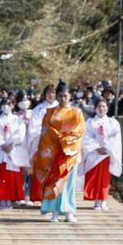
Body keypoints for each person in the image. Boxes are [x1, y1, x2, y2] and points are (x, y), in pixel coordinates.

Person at [33, 81, 86, 223]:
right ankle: (54, 212)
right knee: (54, 182)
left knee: (69, 184)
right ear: (56, 96)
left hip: (69, 154)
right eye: (60, 96)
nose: (63, 98)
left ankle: (69, 212)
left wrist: (66, 141)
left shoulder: (77, 112)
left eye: (66, 96)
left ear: (70, 96)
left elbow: (79, 131)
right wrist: (59, 139)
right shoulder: (50, 112)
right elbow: (46, 131)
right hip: (54, 152)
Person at [79, 99, 122, 210]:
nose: (101, 109)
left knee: (104, 178)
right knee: (94, 177)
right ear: (95, 108)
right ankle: (96, 201)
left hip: (107, 153)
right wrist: (97, 147)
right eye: (99, 106)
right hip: (94, 154)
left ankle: (103, 200)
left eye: (104, 106)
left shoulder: (113, 123)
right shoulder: (89, 122)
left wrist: (107, 146)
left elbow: (116, 138)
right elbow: (86, 137)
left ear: (107, 108)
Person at [25, 84, 58, 204]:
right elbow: (33, 128)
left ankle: (51, 197)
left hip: (55, 145)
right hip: (41, 143)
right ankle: (38, 195)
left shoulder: (60, 108)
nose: (51, 95)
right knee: (40, 170)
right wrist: (44, 134)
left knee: (53, 172)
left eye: (53, 93)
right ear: (45, 94)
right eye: (49, 92)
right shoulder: (38, 109)